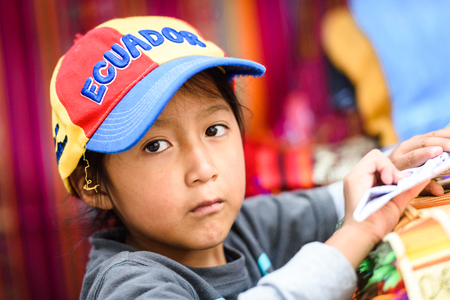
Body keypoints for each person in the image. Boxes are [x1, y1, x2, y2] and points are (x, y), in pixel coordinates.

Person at [50, 16, 450, 299]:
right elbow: (349, 228)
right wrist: (355, 236)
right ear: (94, 186)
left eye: (214, 130)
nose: (204, 169)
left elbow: (333, 200)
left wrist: (393, 165)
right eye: (154, 146)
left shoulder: (246, 224)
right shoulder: (128, 284)